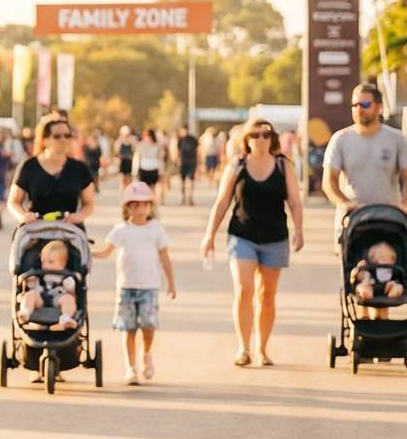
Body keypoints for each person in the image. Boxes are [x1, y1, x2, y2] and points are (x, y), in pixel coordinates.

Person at [201, 117, 305, 368]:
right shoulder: (236, 165)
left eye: (266, 135)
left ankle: (262, 349)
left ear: (273, 139)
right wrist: (210, 234)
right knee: (244, 290)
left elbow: (294, 201)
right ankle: (243, 348)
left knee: (267, 295)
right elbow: (223, 202)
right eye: (255, 135)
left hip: (275, 237)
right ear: (246, 139)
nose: (261, 139)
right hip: (242, 235)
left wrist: (298, 230)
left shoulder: (283, 166)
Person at [90, 181, 176, 385]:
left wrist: (171, 283)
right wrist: (88, 252)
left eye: (144, 204)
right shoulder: (121, 230)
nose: (140, 209)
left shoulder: (156, 230)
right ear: (127, 207)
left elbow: (164, 257)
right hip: (126, 287)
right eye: (135, 204)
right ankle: (131, 367)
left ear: (150, 207)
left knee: (148, 325)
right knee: (128, 328)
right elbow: (106, 251)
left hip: (149, 287)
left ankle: (146, 353)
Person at [322, 82, 407, 224]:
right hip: (352, 221)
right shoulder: (340, 139)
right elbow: (329, 180)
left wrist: (403, 206)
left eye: (365, 104)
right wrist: (345, 203)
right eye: (355, 105)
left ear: (379, 107)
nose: (359, 109)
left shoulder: (397, 139)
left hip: (388, 220)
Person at [11, 115, 97, 225]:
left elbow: (89, 203)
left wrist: (78, 216)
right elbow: (13, 202)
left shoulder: (79, 168)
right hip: (34, 229)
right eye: (57, 136)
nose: (64, 140)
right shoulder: (29, 166)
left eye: (67, 135)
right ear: (44, 140)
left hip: (69, 229)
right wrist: (23, 216)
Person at [14, 239, 80, 331]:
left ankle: (66, 318)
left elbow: (71, 291)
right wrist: (29, 281)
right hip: (40, 299)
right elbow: (31, 286)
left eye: (50, 262)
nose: (45, 265)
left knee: (69, 299)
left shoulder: (66, 277)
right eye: (43, 262)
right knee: (29, 295)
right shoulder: (39, 274)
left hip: (58, 300)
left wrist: (72, 282)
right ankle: (25, 313)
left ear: (62, 264)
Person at [351, 240, 405, 319]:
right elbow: (359, 276)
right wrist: (359, 270)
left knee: (397, 287)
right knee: (362, 287)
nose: (382, 262)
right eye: (380, 259)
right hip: (371, 286)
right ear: (373, 260)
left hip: (387, 289)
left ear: (393, 260)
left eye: (387, 259)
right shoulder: (370, 268)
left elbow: (399, 279)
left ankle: (384, 319)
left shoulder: (393, 270)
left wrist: (394, 284)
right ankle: (365, 315)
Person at [134, 126, 165, 201]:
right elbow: (137, 157)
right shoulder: (141, 145)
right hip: (143, 168)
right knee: (144, 187)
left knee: (152, 187)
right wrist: (135, 170)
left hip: (154, 168)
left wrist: (161, 171)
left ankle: (152, 202)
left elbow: (161, 158)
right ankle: (146, 201)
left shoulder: (157, 145)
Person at [174, 126, 200, 206]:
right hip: (183, 163)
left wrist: (199, 162)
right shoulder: (180, 140)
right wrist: (176, 161)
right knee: (182, 181)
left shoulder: (193, 139)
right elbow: (177, 151)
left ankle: (190, 197)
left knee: (191, 180)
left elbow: (198, 151)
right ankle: (183, 197)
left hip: (192, 162)